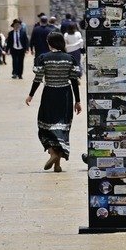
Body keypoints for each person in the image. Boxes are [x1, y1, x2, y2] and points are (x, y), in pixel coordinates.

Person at [25, 33, 82, 173]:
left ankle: (53, 153)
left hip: (49, 94)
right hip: (65, 95)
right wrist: (78, 101)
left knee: (45, 126)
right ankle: (57, 164)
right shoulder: (70, 59)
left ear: (50, 43)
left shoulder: (43, 58)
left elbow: (38, 79)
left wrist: (31, 95)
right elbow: (74, 81)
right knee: (62, 127)